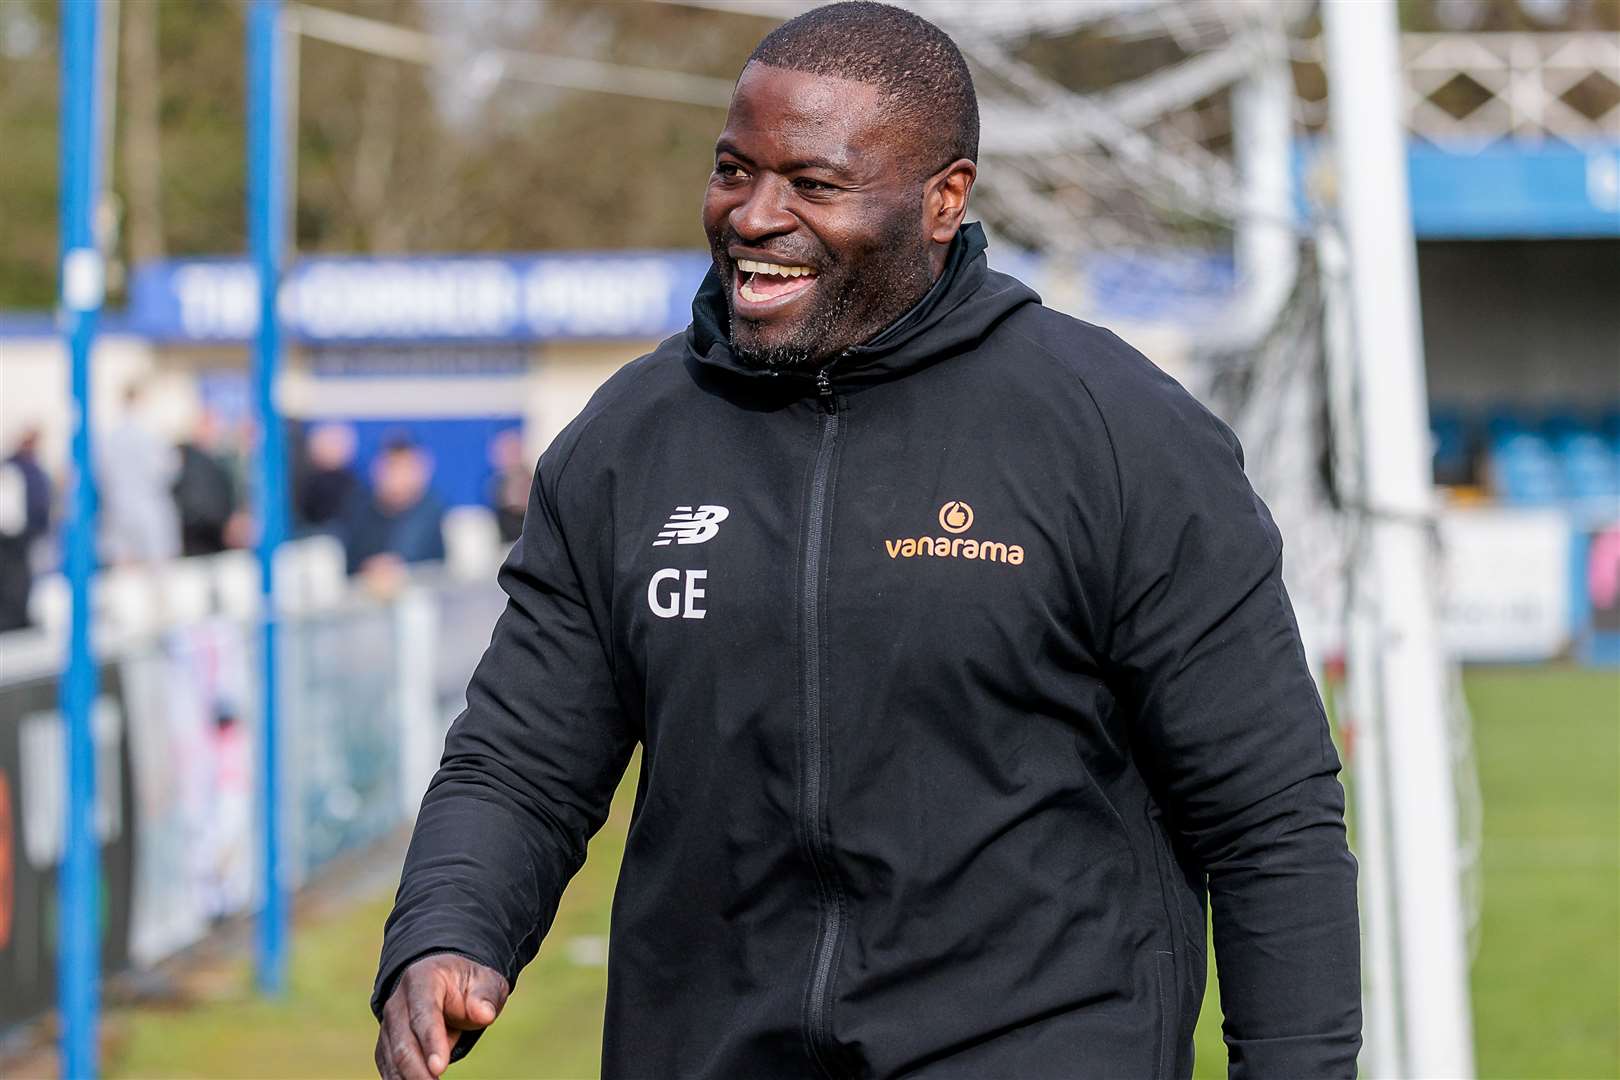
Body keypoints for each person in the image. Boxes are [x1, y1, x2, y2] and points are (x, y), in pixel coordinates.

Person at [371, 5, 1361, 1079]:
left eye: (813, 183)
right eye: (733, 169)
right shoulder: (627, 441)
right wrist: (448, 929)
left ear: (945, 199)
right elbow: (520, 760)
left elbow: (1269, 817)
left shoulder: (1119, 433)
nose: (754, 216)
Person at [340, 436, 446, 589]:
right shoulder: (360, 507)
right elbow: (351, 561)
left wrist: (392, 567)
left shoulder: (431, 508)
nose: (399, 476)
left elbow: (414, 548)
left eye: (406, 468)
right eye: (392, 467)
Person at [97, 382, 181, 565]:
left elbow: (101, 476)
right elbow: (167, 471)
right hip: (149, 510)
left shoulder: (111, 437)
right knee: (156, 567)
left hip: (118, 510)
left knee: (124, 567)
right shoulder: (152, 434)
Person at [0, 428, 53, 632]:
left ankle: (18, 617)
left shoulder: (17, 467)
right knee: (17, 581)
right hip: (18, 537)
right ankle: (17, 618)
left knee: (22, 580)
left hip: (21, 536)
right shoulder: (21, 469)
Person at [172, 409, 240, 557]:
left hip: (214, 539)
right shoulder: (190, 460)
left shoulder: (216, 458)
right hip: (199, 541)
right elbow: (196, 502)